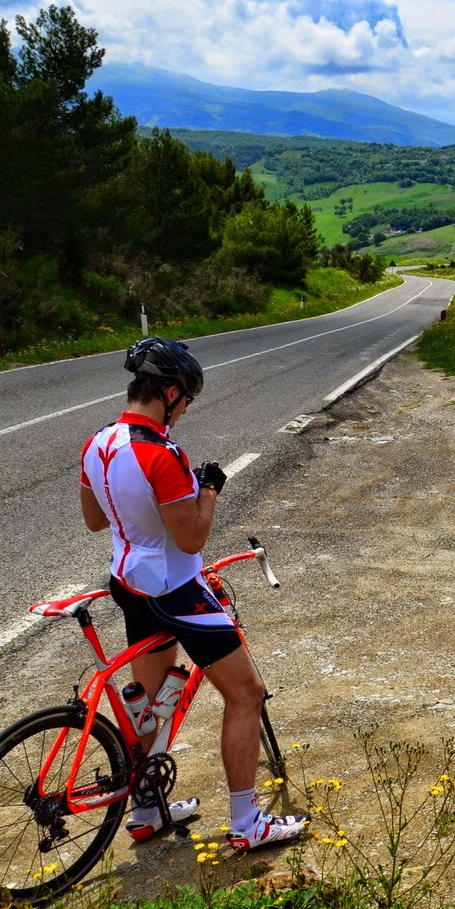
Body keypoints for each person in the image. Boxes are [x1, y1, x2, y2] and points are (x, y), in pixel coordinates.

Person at [79, 337, 307, 851]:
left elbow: (95, 521)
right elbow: (192, 538)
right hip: (176, 588)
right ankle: (248, 822)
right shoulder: (162, 453)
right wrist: (208, 488)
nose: (184, 411)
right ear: (170, 391)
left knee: (152, 705)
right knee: (245, 693)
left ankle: (145, 810)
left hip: (128, 584)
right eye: (187, 400)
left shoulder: (97, 443)